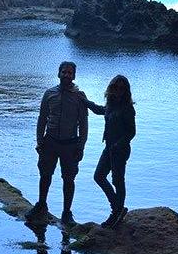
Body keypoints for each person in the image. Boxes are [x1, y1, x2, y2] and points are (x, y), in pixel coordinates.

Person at [25, 61, 88, 226]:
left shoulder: (79, 97)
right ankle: (41, 205)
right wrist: (39, 141)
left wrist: (81, 146)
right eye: (64, 72)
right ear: (58, 73)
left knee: (69, 179)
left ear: (74, 76)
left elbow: (83, 124)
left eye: (70, 73)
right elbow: (42, 119)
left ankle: (67, 213)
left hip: (70, 144)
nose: (66, 75)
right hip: (50, 142)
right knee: (45, 175)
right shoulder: (49, 94)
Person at [85, 75, 136, 228]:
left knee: (118, 180)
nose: (118, 90)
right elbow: (101, 110)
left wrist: (118, 145)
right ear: (111, 88)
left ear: (126, 90)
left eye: (122, 88)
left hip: (120, 150)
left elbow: (131, 132)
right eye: (116, 87)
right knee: (99, 176)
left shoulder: (127, 108)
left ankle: (116, 212)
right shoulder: (111, 104)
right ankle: (117, 208)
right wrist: (85, 101)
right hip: (109, 148)